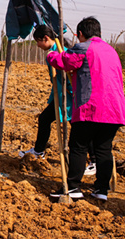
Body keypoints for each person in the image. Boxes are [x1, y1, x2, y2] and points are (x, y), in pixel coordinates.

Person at [48, 17, 125, 201]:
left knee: (78, 147)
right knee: (103, 150)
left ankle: (73, 187)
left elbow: (65, 62)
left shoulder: (84, 48)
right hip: (114, 110)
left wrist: (51, 55)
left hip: (91, 107)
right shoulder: (112, 51)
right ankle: (101, 191)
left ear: (80, 34)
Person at [19, 25, 97, 175]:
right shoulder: (56, 51)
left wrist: (75, 94)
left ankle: (94, 160)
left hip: (69, 97)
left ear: (46, 39)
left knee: (80, 127)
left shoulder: (60, 54)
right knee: (47, 119)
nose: (38, 45)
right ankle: (39, 150)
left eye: (38, 41)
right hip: (61, 96)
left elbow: (69, 78)